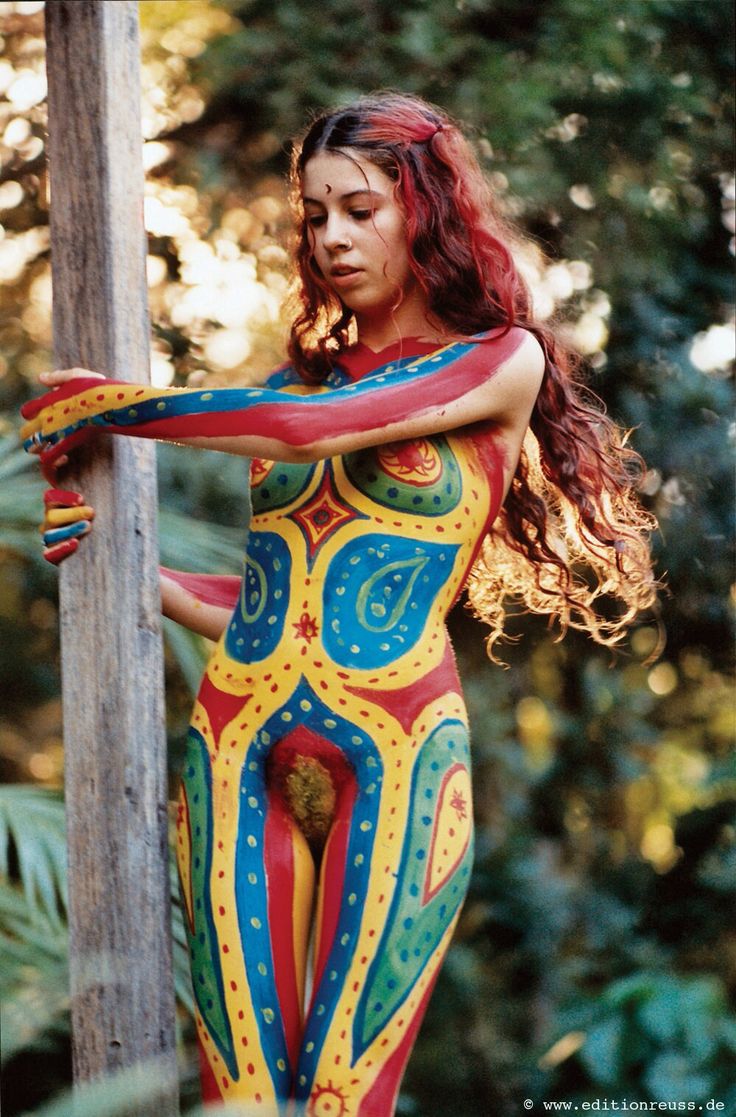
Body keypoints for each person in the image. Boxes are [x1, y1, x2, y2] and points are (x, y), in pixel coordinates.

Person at [22, 93, 657, 1117]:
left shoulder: (497, 359)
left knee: (339, 1099)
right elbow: (272, 597)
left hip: (396, 755)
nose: (332, 238)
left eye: (361, 209)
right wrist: (112, 564)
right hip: (235, 740)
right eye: (315, 215)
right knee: (238, 1098)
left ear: (426, 210)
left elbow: (307, 431)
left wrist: (112, 407)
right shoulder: (297, 377)